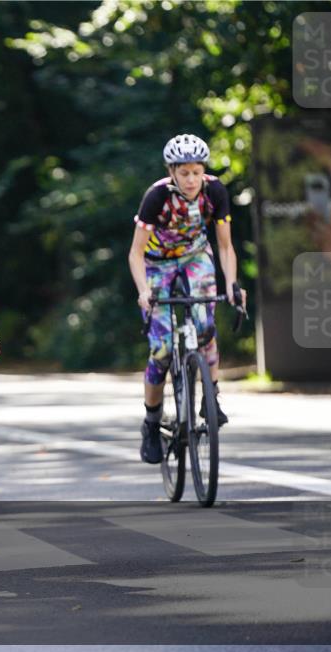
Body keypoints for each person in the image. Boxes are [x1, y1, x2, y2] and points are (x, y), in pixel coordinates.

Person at [128, 134, 246, 464]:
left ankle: (213, 399)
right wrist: (143, 291)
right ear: (172, 172)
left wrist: (233, 285)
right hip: (157, 263)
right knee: (162, 349)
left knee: (206, 328)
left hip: (196, 257)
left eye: (196, 172)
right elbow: (136, 253)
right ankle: (152, 424)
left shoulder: (215, 192)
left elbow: (224, 246)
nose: (192, 179)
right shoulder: (157, 197)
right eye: (184, 173)